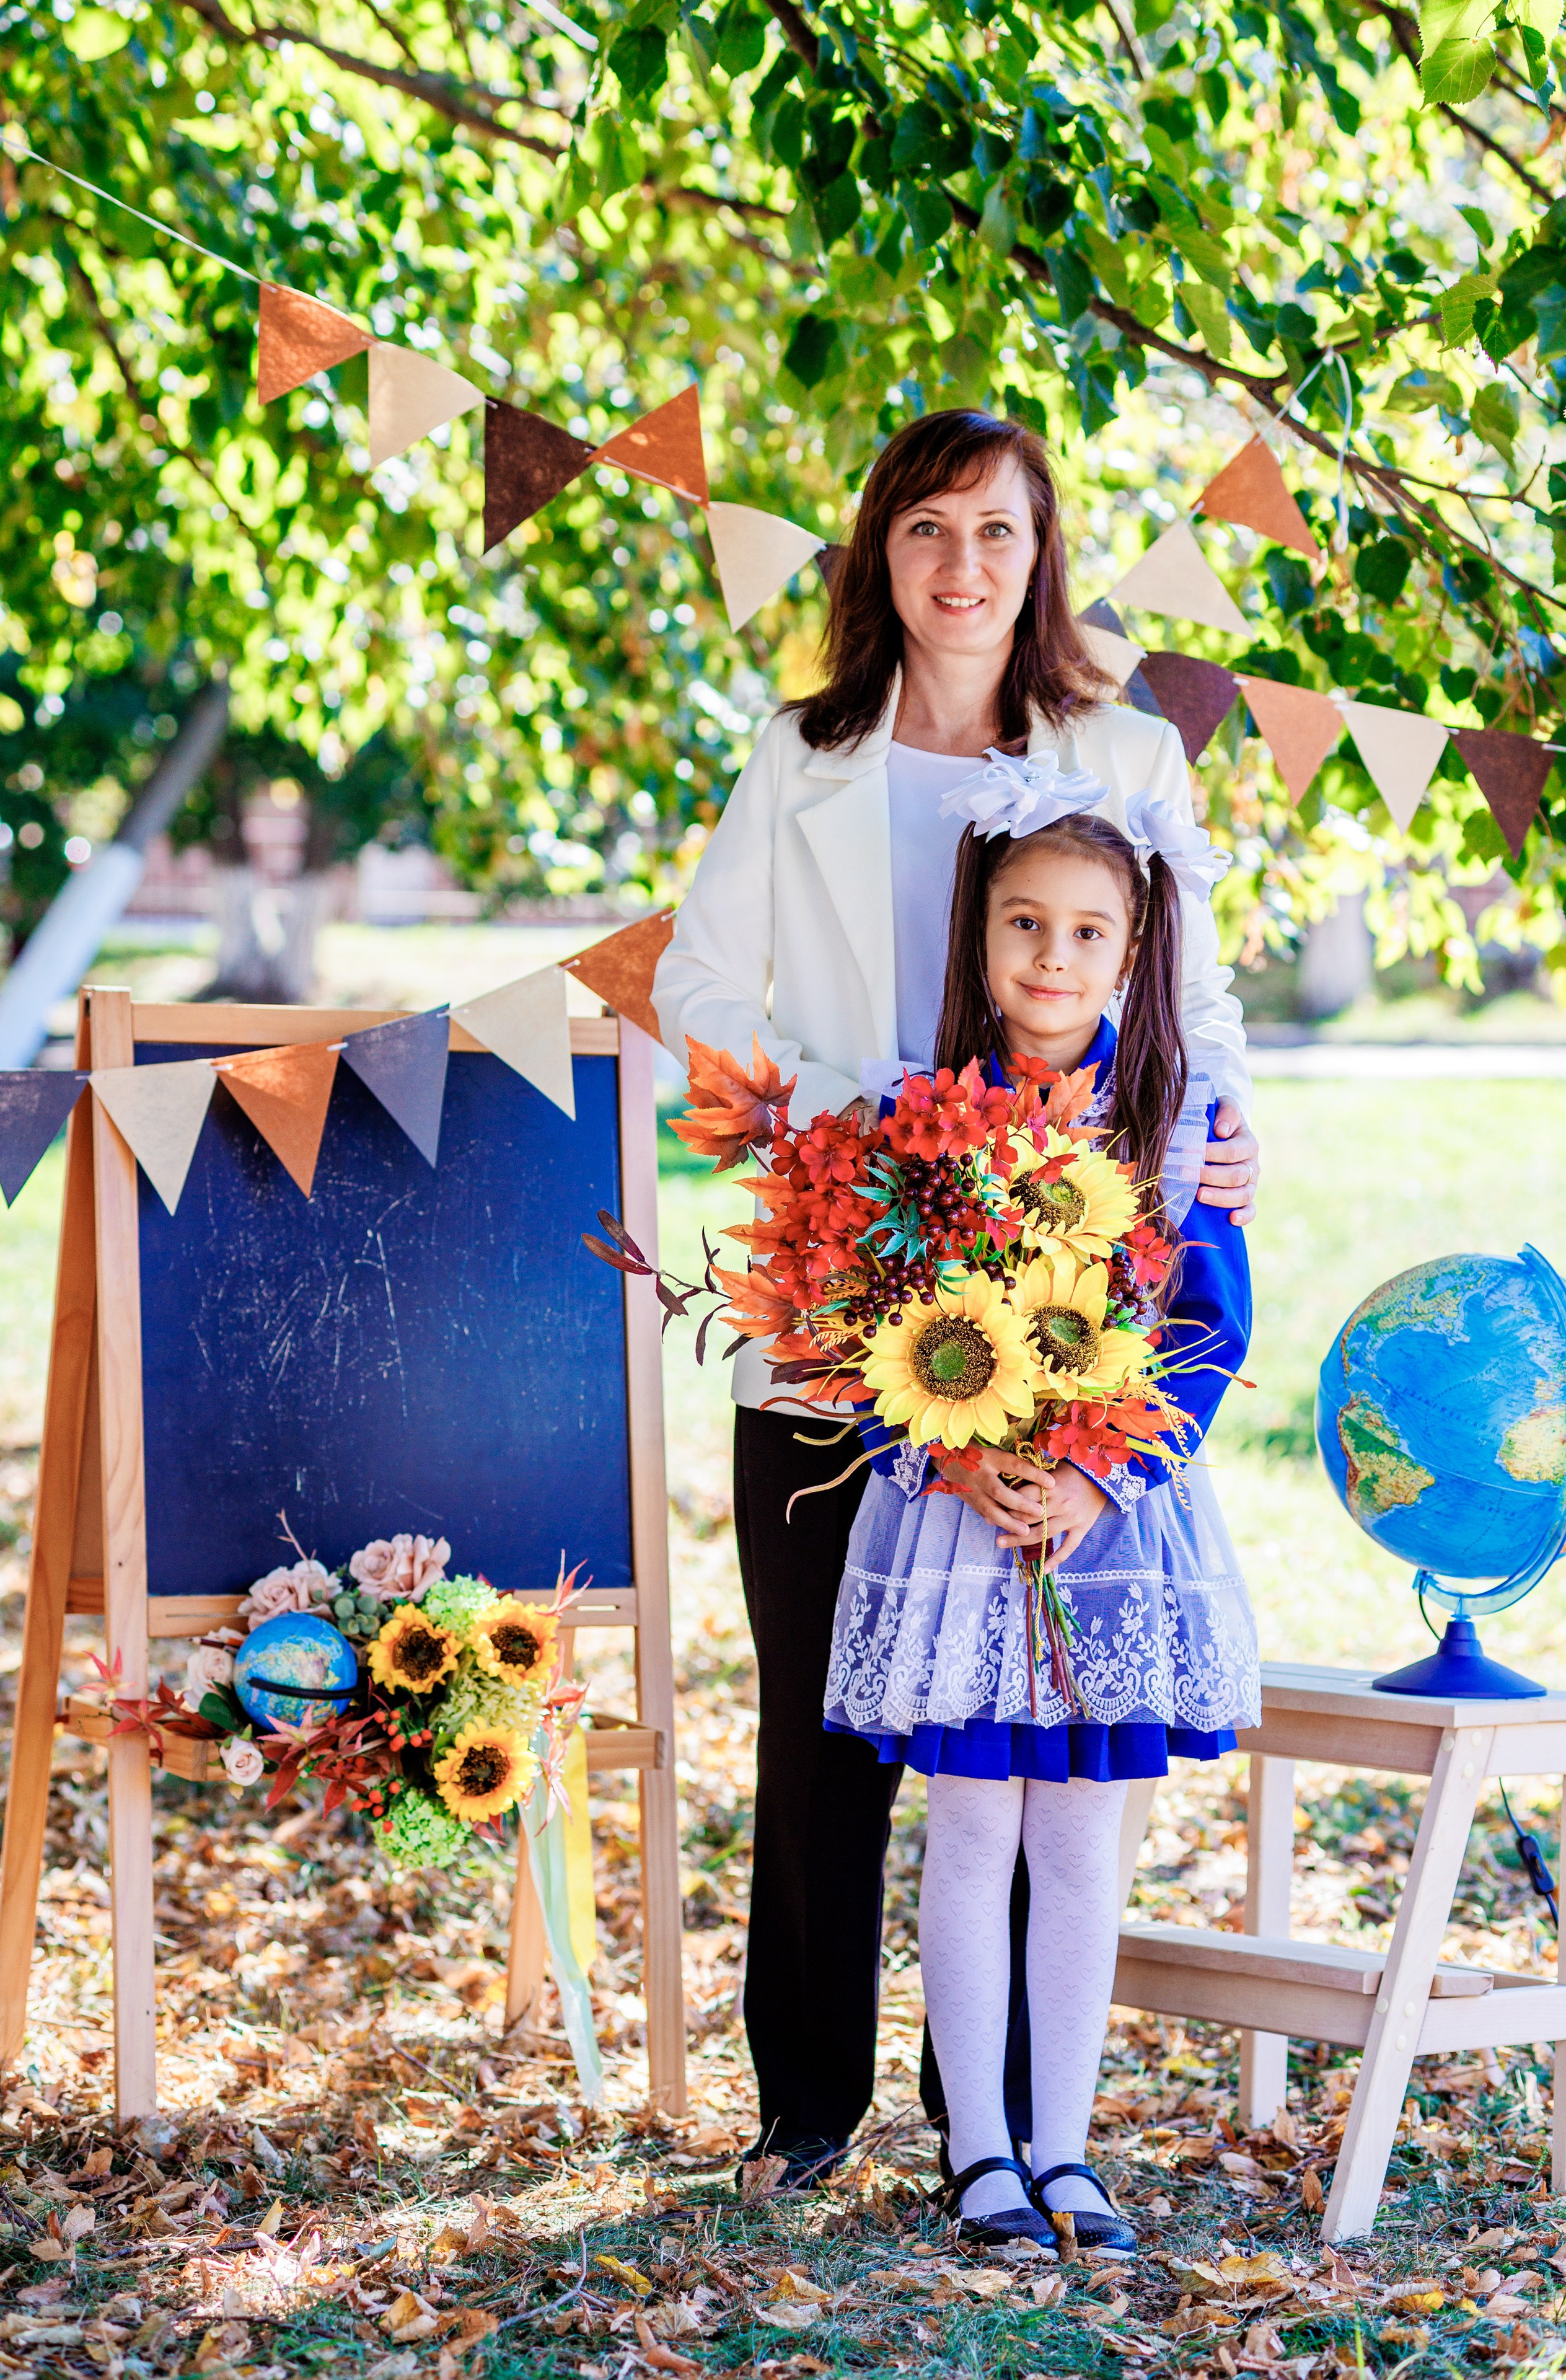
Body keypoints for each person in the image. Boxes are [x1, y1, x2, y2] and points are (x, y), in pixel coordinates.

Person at [651, 408, 1260, 2188]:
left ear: (1041, 549)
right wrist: (871, 1132)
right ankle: (809, 2100)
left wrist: (1223, 1140)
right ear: (876, 553)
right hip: (849, 1284)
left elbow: (1191, 1000)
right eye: (925, 530)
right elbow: (697, 984)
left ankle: (989, 2124)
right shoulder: (803, 753)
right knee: (826, 1699)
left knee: (1014, 1710)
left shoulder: (1129, 748)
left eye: (996, 531)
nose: (963, 566)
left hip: (1062, 1288)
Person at [824, 782, 1259, 2254]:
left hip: (1109, 1527)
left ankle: (1065, 2150)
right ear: (980, 936)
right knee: (968, 1834)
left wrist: (1094, 1477)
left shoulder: (1175, 1121)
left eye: (1086, 932)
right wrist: (955, 1454)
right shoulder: (917, 1115)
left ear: (1133, 951)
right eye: (1023, 925)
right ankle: (978, 2157)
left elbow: (1204, 1328)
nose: (1051, 959)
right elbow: (866, 1316)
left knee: (1081, 1847)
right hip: (960, 1518)